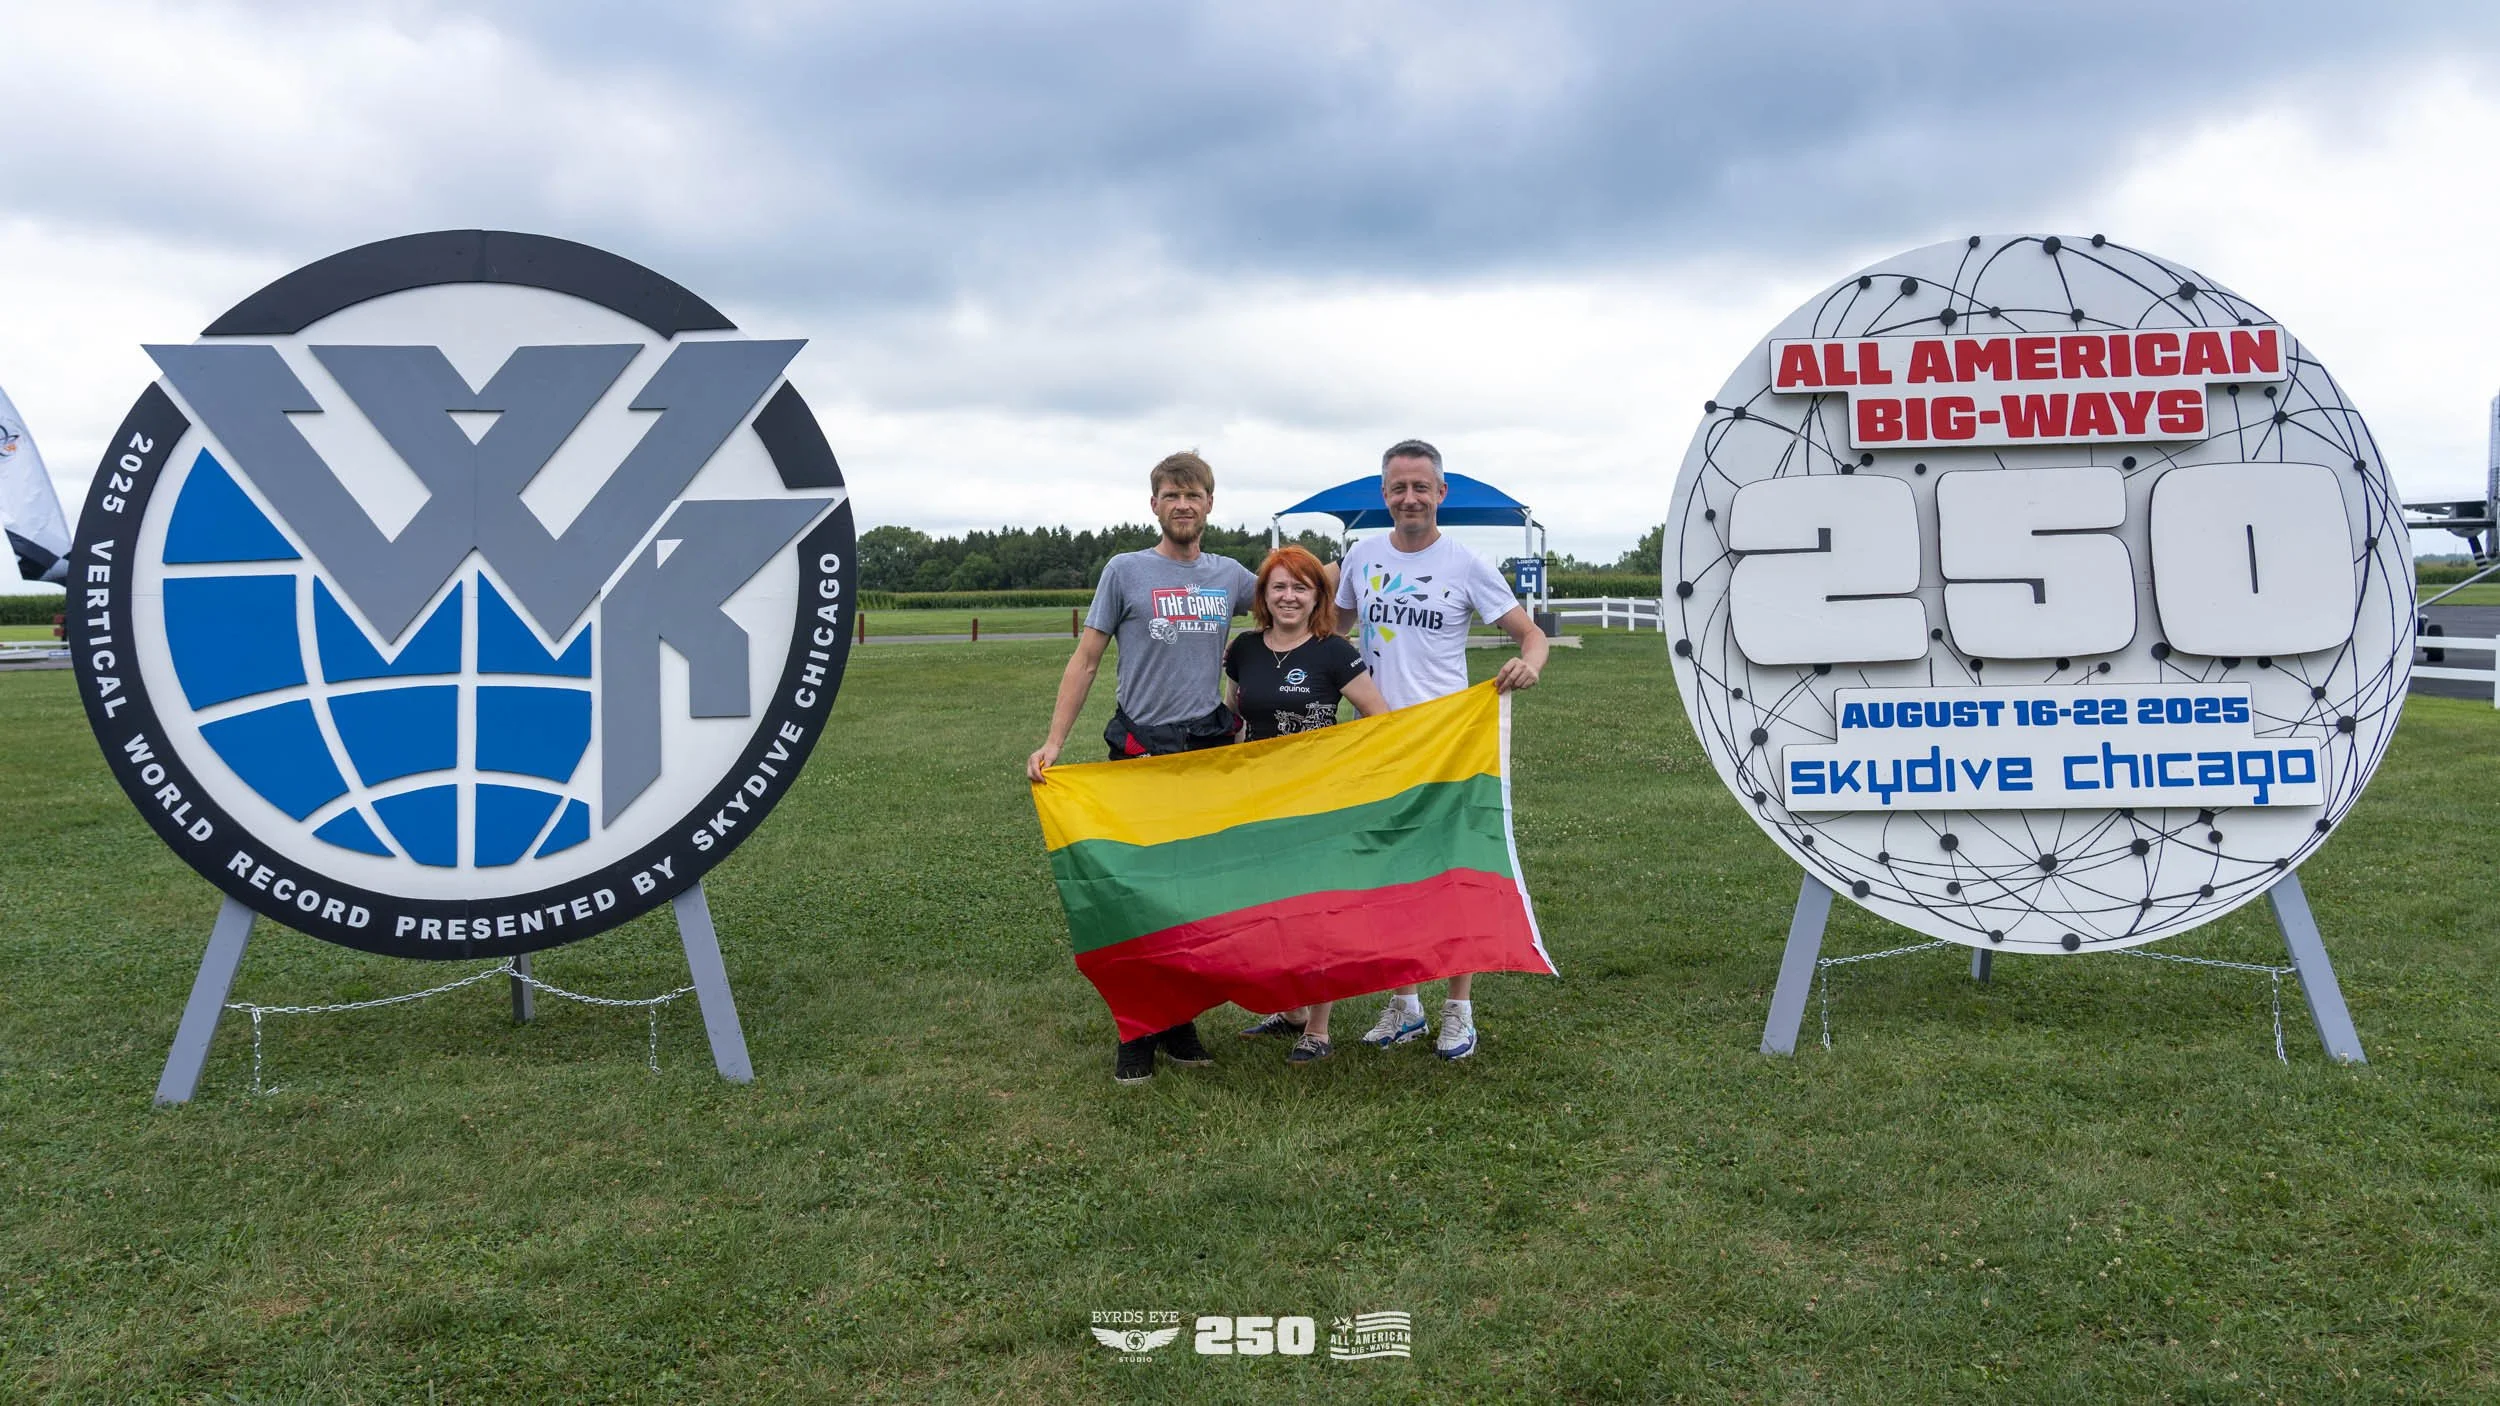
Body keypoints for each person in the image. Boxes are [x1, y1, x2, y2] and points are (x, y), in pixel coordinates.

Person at [1029, 451, 1260, 1085]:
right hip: (1138, 755)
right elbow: (1086, 660)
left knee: (1190, 896)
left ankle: (1179, 1023)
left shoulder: (1232, 575)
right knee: (1135, 899)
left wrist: (1382, 548)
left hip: (1204, 756)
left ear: (1211, 504)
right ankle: (1137, 1033)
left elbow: (1300, 588)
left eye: (1195, 494)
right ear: (1154, 504)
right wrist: (1054, 742)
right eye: (1171, 494)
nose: (1183, 504)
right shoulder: (1125, 572)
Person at [1333, 438, 1548, 1060]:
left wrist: (1528, 664)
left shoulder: (1466, 564)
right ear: (1384, 495)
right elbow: (1334, 635)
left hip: (1449, 742)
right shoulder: (1360, 557)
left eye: (1420, 487)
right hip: (1374, 738)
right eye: (1398, 488)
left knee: (1452, 873)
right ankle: (1404, 1005)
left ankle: (1459, 1009)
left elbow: (1532, 636)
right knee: (1388, 872)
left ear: (1440, 493)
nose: (1410, 498)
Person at [1222, 545, 1390, 1066]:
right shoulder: (1243, 650)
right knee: (1271, 907)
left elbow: (1378, 717)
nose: (1289, 596)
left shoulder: (1333, 651)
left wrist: (1346, 771)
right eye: (1279, 587)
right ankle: (1289, 1009)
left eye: (1301, 586)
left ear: (1318, 595)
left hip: (1319, 803)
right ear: (1264, 596)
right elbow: (1235, 716)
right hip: (1260, 801)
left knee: (1315, 911)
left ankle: (1317, 1027)